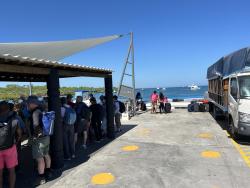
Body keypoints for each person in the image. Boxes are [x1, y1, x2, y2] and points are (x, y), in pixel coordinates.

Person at [27, 96, 52, 186]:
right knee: (46, 154)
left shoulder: (35, 113)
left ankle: (41, 178)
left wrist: (34, 136)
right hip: (46, 137)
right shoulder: (42, 110)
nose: (28, 105)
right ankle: (48, 172)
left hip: (39, 139)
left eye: (29, 103)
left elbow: (36, 125)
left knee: (39, 158)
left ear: (33, 103)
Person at [0, 101, 22, 188]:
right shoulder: (14, 120)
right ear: (8, 109)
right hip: (10, 148)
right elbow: (19, 134)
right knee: (11, 171)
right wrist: (15, 143)